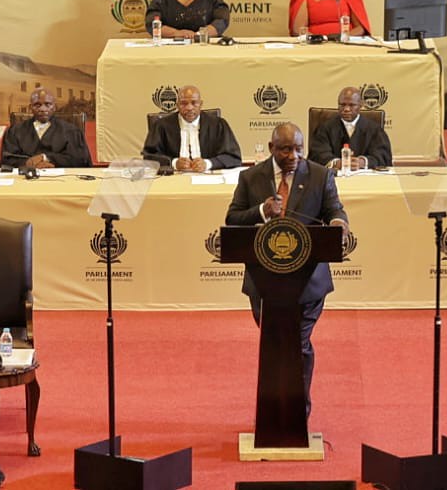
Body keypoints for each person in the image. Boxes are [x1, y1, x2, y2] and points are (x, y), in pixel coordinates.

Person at [225, 122, 349, 409]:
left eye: (298, 149)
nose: (293, 155)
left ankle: (298, 412)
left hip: (308, 284)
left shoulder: (320, 175)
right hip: (263, 283)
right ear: (271, 149)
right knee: (275, 344)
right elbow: (232, 218)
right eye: (285, 149)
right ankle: (274, 412)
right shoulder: (250, 177)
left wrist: (339, 223)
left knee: (298, 343)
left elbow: (335, 209)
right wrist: (260, 211)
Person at [142, 85, 242, 172]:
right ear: (177, 105)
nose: (189, 108)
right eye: (184, 103)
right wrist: (174, 163)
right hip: (172, 179)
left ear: (201, 104)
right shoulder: (161, 126)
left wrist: (208, 164)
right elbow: (148, 157)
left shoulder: (218, 124)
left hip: (208, 179)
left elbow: (233, 157)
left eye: (194, 103)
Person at [0, 89, 91, 170]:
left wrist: (46, 158)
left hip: (61, 182)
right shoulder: (15, 131)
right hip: (25, 180)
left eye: (48, 104)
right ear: (30, 107)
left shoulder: (71, 131)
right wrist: (29, 163)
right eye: (37, 105)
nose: (43, 109)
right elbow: (7, 159)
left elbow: (80, 160)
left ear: (54, 107)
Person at [309, 86, 393, 171]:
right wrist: (336, 163)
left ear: (361, 106)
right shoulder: (325, 128)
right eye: (342, 105)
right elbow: (317, 155)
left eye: (352, 105)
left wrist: (363, 162)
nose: (346, 109)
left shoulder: (374, 129)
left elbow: (383, 156)